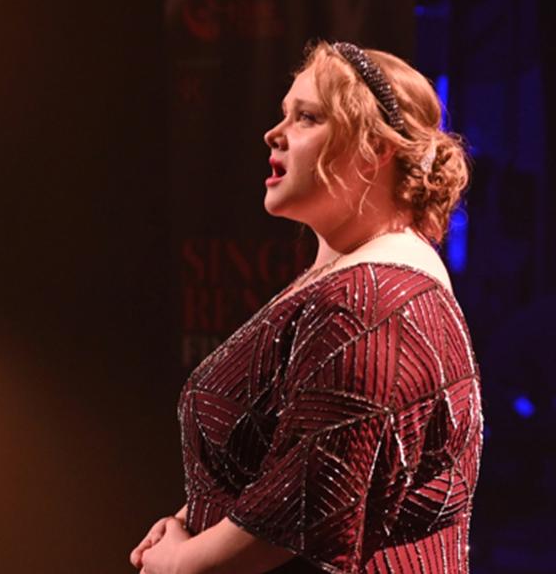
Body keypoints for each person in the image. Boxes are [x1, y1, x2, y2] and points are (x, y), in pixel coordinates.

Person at [130, 41, 483, 573]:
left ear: (375, 149)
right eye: (284, 114)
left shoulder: (371, 307)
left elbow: (311, 508)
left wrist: (183, 561)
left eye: (307, 117)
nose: (274, 134)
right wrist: (189, 520)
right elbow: (284, 461)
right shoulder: (349, 286)